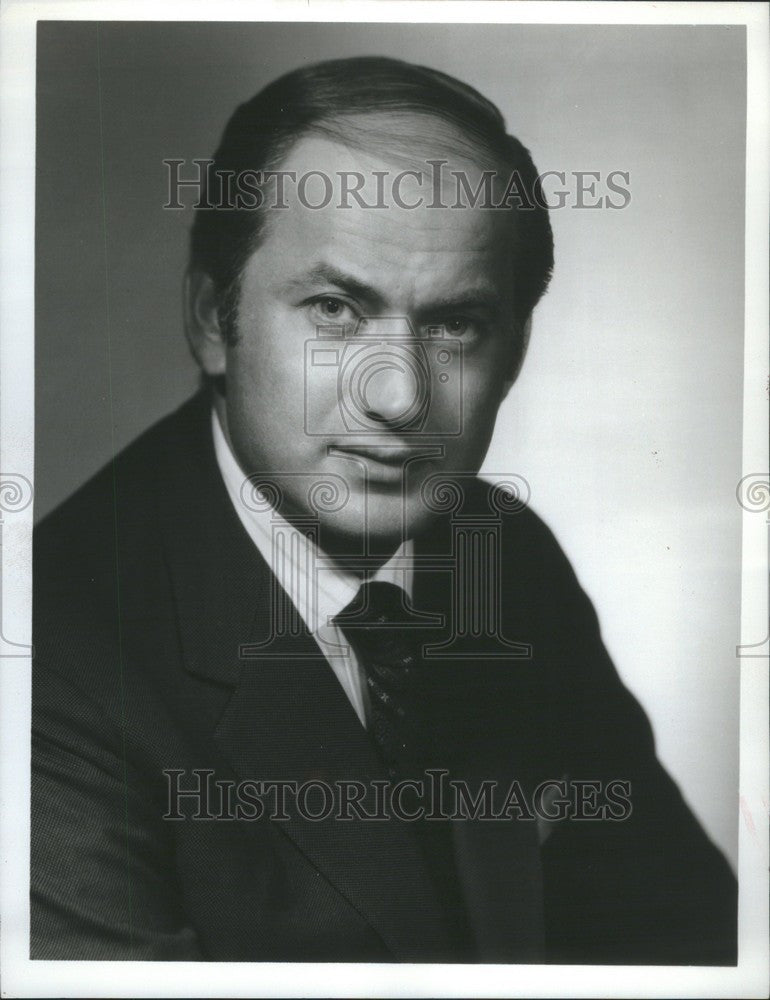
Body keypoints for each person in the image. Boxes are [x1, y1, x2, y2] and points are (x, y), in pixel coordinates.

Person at [31, 56, 737, 964]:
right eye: (335, 309)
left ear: (516, 353)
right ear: (215, 318)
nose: (398, 396)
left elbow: (687, 941)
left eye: (454, 326)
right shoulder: (52, 661)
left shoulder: (499, 552)